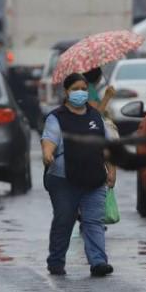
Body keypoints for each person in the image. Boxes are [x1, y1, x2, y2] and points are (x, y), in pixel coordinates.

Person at [41, 73, 116, 277]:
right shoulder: (57, 117)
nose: (80, 93)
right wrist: (48, 154)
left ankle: (98, 262)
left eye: (84, 89)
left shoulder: (95, 117)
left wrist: (111, 169)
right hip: (63, 179)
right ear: (66, 92)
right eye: (75, 89)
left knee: (93, 221)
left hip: (94, 178)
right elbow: (49, 139)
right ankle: (56, 261)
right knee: (65, 220)